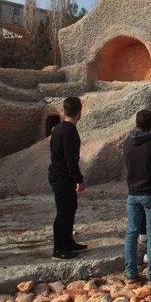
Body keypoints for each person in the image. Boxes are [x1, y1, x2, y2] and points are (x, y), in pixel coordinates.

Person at [123, 110, 151, 284]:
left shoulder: (128, 143)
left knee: (131, 233)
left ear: (136, 123)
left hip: (133, 192)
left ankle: (131, 273)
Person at [49, 96, 86, 260]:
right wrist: (78, 180)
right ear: (79, 112)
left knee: (70, 209)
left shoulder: (58, 128)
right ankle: (59, 249)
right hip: (63, 177)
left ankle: (68, 242)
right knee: (63, 212)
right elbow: (71, 159)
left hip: (60, 174)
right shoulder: (69, 130)